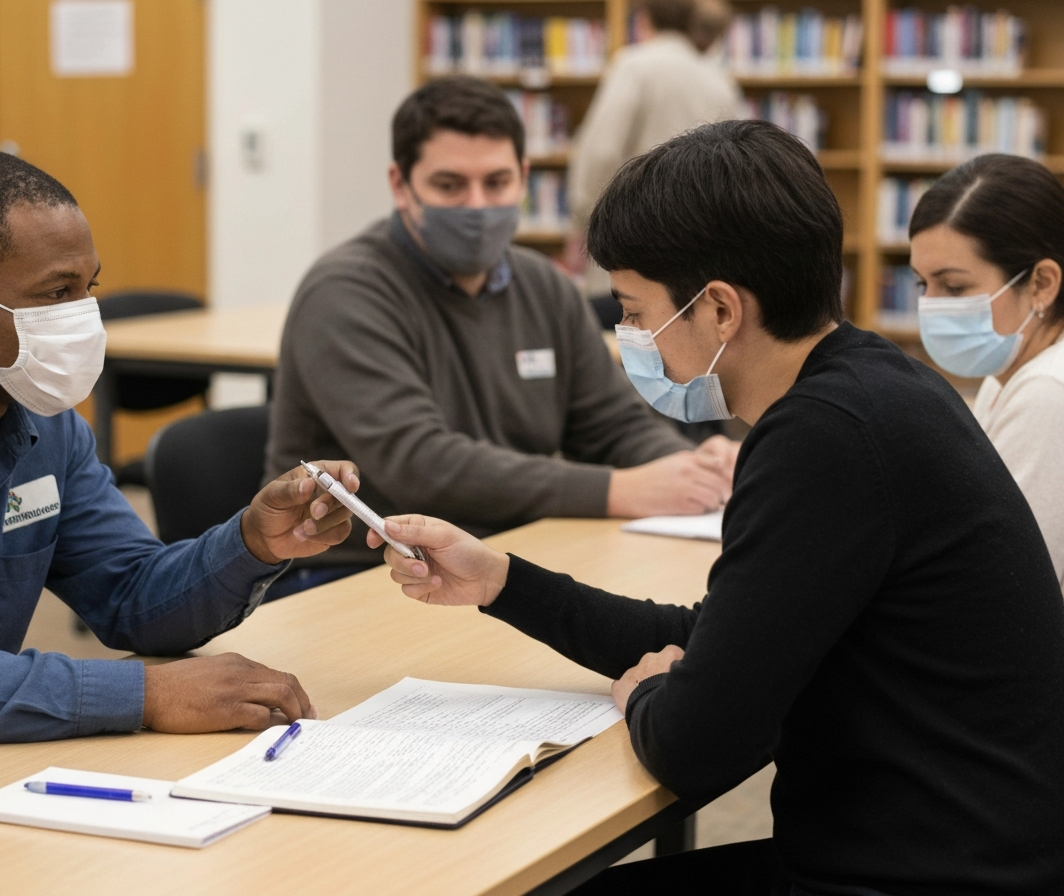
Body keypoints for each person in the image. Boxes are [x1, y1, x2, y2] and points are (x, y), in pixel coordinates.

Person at [371, 121, 1064, 893]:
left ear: (721, 310)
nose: (629, 336)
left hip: (924, 875)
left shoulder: (823, 437)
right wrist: (502, 580)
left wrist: (651, 693)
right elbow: (723, 635)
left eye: (634, 312)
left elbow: (695, 744)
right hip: (956, 852)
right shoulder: (876, 383)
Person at [0, 151, 362, 766]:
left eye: (89, 289)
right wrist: (143, 694)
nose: (84, 318)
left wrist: (253, 541)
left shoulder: (40, 416)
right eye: (56, 293)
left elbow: (135, 597)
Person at [264, 77, 737, 594]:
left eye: (496, 182)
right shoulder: (345, 292)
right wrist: (619, 490)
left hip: (498, 557)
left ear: (524, 178)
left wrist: (688, 468)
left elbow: (611, 425)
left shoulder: (545, 286)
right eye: (449, 186)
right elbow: (421, 466)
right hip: (360, 573)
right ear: (401, 185)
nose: (477, 205)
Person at [911, 154, 1064, 588]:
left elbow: (1002, 576)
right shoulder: (1010, 367)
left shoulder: (1049, 390)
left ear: (1041, 284)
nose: (932, 304)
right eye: (924, 284)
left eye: (954, 286)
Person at [567, 0, 740, 297]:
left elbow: (602, 152)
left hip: (632, 241)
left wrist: (582, 222)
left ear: (644, 20)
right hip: (701, 252)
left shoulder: (635, 65)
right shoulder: (719, 78)